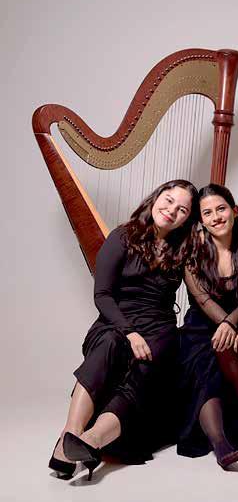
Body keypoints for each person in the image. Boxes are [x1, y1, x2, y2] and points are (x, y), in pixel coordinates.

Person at [48, 179, 199, 480]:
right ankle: (70, 435)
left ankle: (91, 441)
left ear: (187, 219)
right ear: (156, 198)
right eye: (169, 200)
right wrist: (129, 332)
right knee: (108, 344)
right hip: (116, 320)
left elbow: (202, 291)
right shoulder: (123, 236)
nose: (172, 210)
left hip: (159, 327)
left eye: (182, 209)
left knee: (146, 364)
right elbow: (102, 295)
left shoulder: (184, 250)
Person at [177, 183, 238, 469]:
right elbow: (202, 300)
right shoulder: (191, 255)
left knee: (237, 345)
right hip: (201, 326)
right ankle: (219, 442)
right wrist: (228, 325)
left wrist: (234, 324)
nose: (216, 217)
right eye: (207, 213)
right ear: (201, 220)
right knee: (205, 359)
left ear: (234, 211)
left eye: (221, 209)